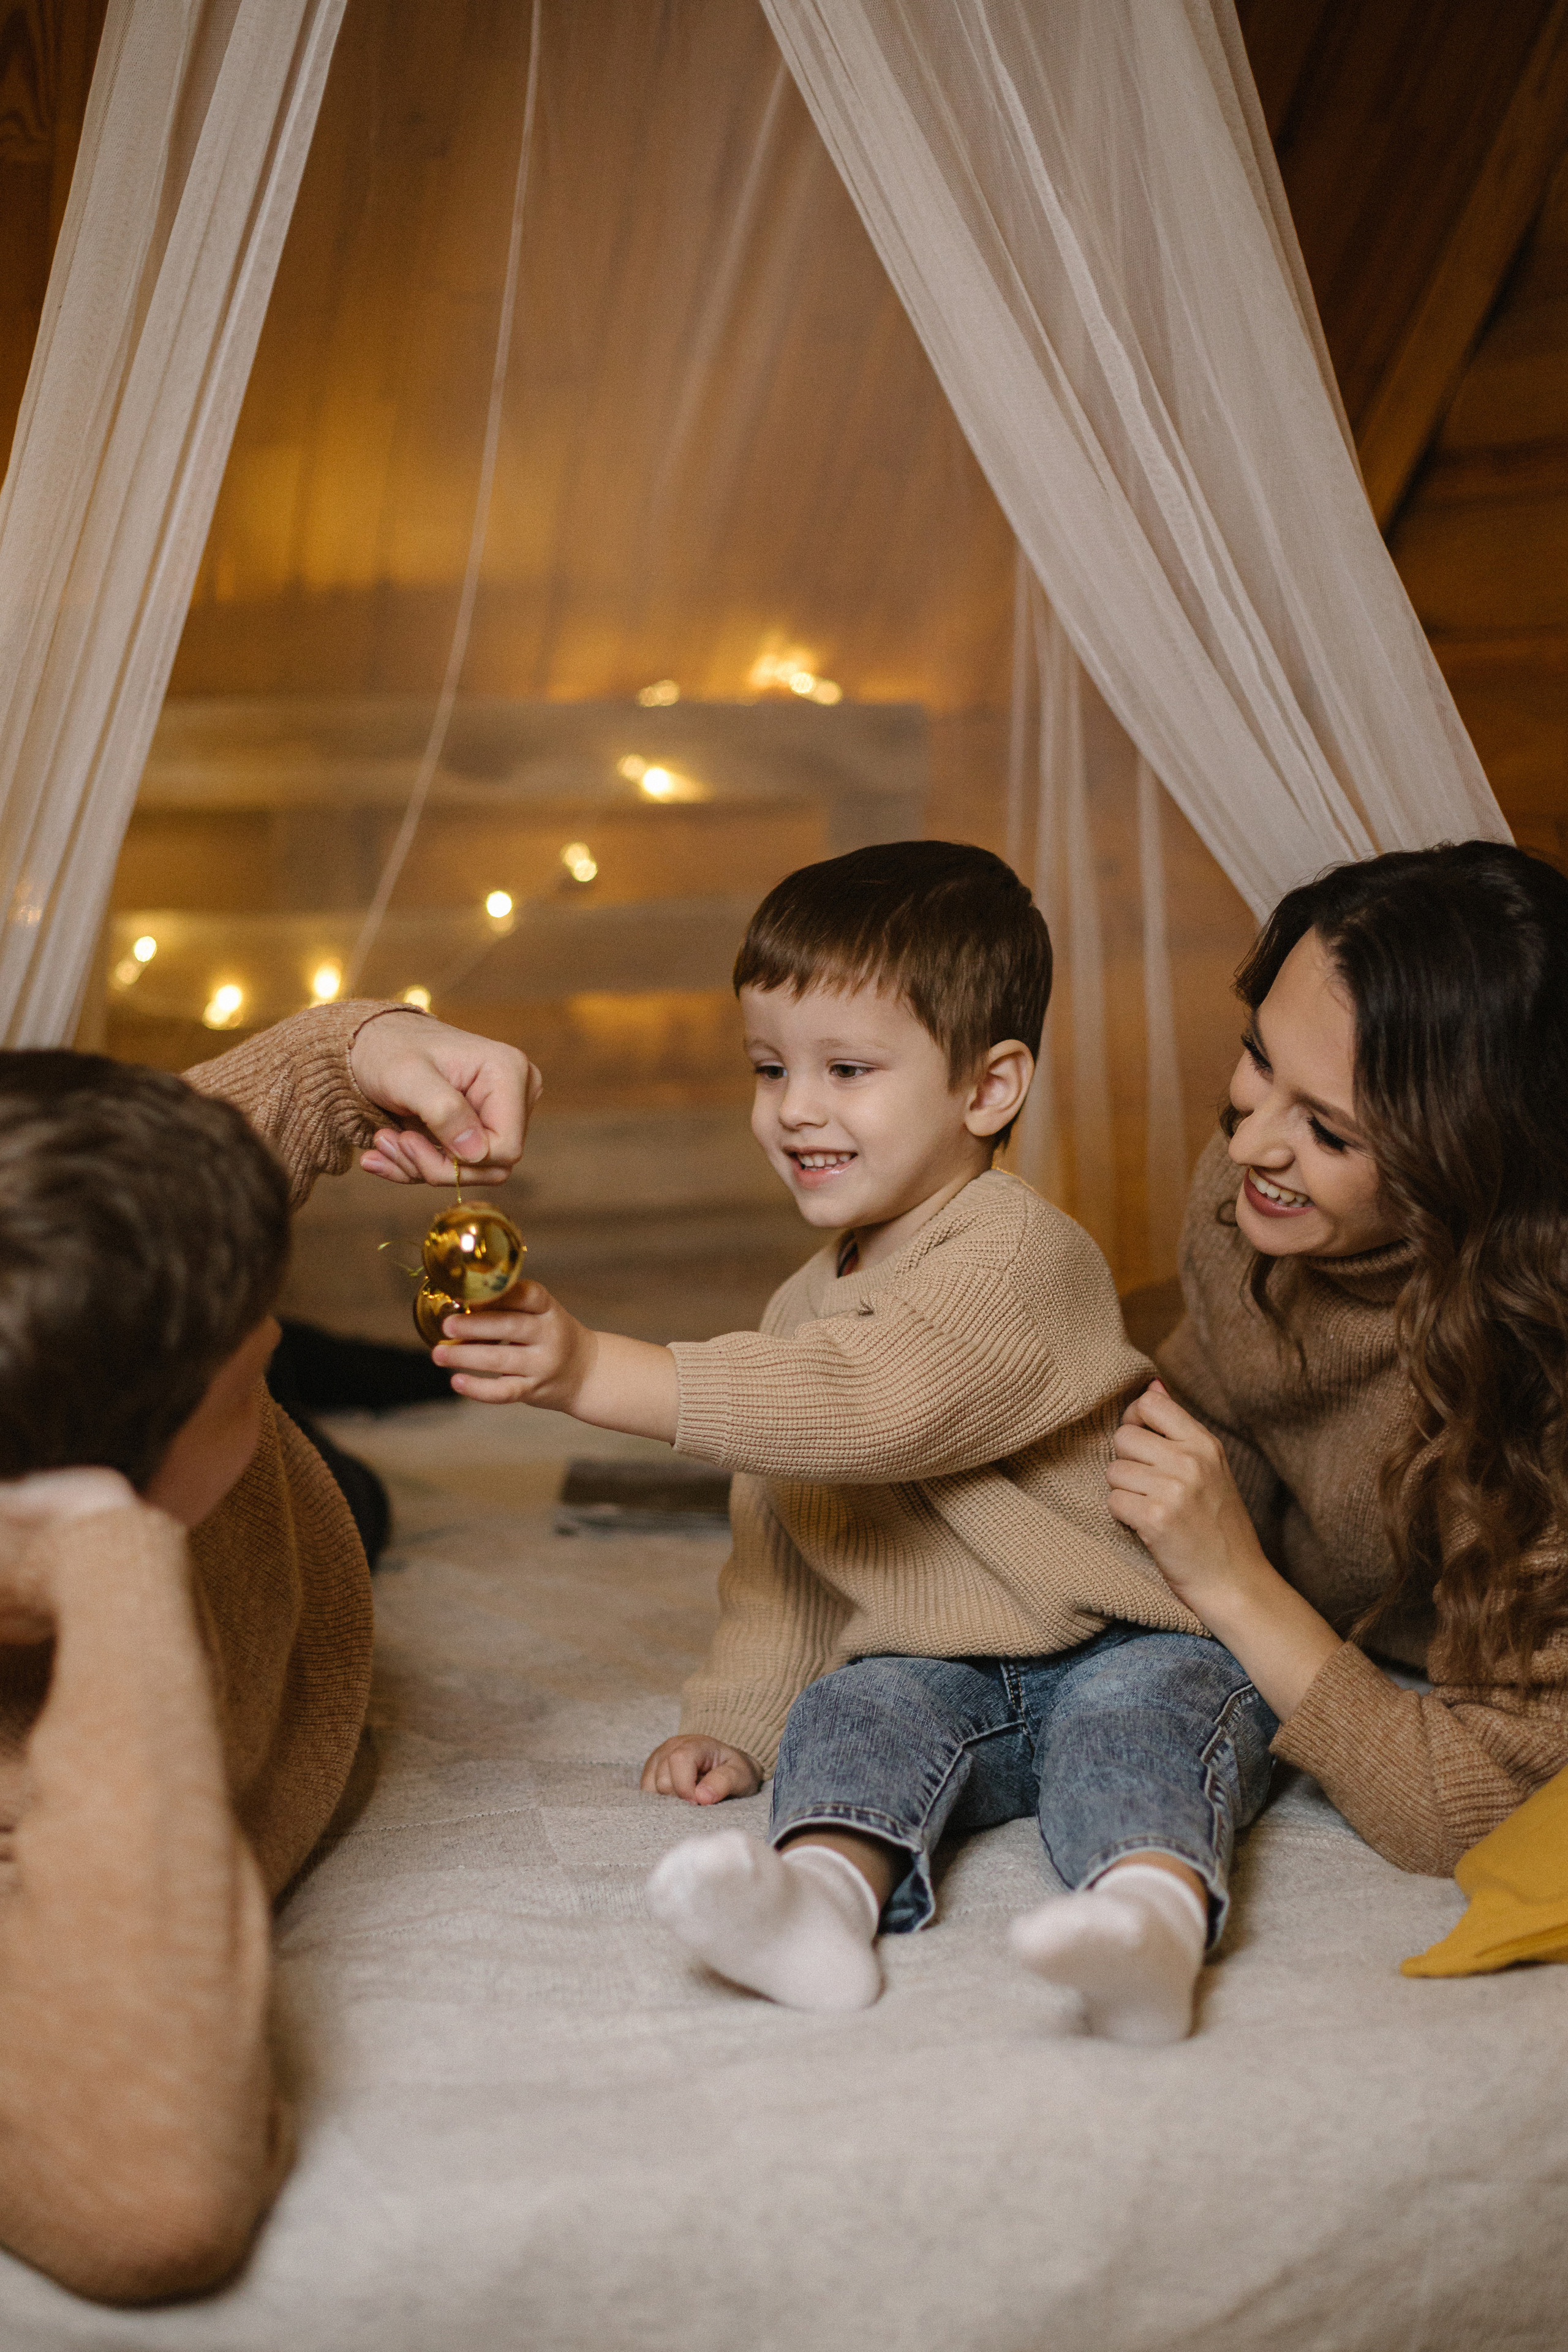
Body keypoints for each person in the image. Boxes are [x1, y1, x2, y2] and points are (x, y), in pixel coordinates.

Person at [435, 843, 1277, 2045]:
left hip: (1121, 1636)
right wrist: (734, 1717)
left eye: (846, 1069)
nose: (793, 1108)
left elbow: (873, 1405)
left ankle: (1145, 1917)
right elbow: (785, 1548)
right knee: (854, 1718)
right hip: (941, 1670)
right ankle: (821, 1905)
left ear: (986, 1090)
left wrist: (592, 1371)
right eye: (769, 1066)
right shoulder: (797, 1309)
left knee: (1139, 1735)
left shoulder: (1017, 1253)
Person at [0, 998, 538, 2303]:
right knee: (363, 1492)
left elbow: (127, 1189)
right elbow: (151, 2206)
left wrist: (350, 1054)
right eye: (251, 1373)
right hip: (199, 1570)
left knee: (357, 1492)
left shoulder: (66, 1333)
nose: (277, 1346)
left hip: (278, 1544)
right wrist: (108, 1562)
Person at [1108, 840, 1568, 1871]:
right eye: (1260, 1058)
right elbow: (1222, 1395)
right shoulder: (1249, 1204)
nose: (1246, 1146)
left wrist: (1235, 1583)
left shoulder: (1539, 1374)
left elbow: (1473, 1811)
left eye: (1329, 1130)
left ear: (1469, 1156)